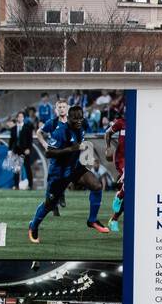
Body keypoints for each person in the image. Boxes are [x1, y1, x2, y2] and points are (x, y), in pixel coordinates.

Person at [27, 104, 111, 243]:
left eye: (80, 118)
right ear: (69, 118)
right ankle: (33, 225)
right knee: (50, 204)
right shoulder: (60, 132)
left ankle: (92, 220)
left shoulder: (83, 124)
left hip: (74, 167)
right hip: (58, 172)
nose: (78, 121)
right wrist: (71, 149)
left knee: (96, 186)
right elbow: (49, 153)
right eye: (75, 119)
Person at [105, 109, 128, 232]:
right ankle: (119, 195)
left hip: (135, 158)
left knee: (129, 195)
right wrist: (108, 148)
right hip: (122, 159)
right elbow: (107, 133)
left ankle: (114, 219)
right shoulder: (121, 123)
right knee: (127, 178)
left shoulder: (141, 123)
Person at [5, 109, 34, 189]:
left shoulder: (27, 127)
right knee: (16, 168)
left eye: (22, 116)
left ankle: (30, 185)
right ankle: (16, 185)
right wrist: (10, 150)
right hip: (16, 150)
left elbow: (30, 140)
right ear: (17, 118)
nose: (20, 118)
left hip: (25, 150)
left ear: (23, 118)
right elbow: (11, 140)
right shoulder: (14, 128)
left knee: (27, 168)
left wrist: (29, 149)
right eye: (19, 116)